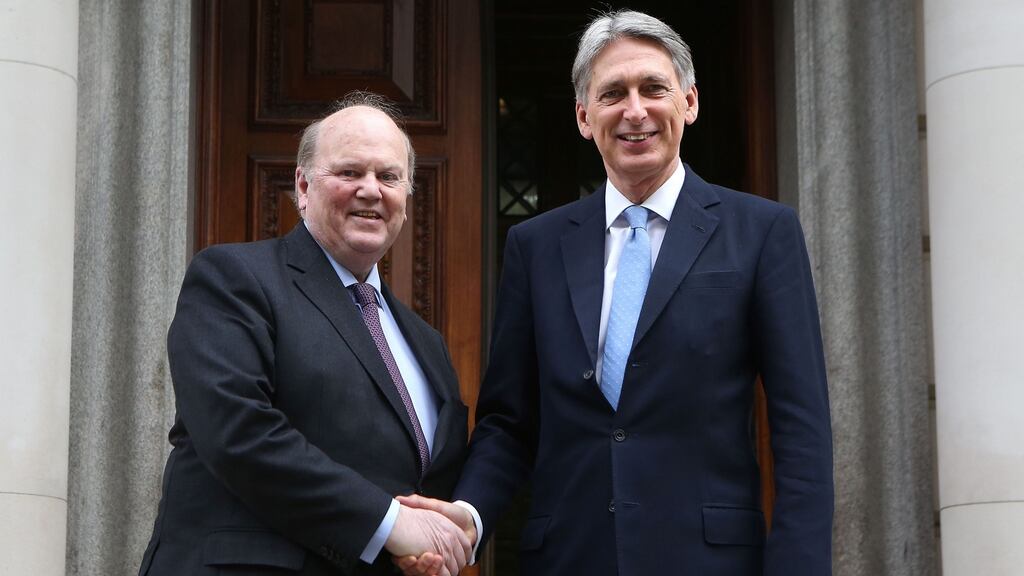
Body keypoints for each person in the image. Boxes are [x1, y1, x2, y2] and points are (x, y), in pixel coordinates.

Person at [398, 9, 834, 576]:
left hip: (710, 561)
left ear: (689, 103)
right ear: (584, 116)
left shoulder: (761, 232)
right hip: (567, 558)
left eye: (654, 88)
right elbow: (510, 422)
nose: (635, 110)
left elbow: (802, 428)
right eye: (612, 94)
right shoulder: (536, 245)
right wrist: (470, 517)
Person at [138, 91, 474, 576]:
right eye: (350, 172)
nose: (371, 190)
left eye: (389, 177)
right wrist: (391, 523)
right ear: (302, 185)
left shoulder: (427, 344)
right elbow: (238, 431)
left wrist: (435, 543)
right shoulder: (234, 278)